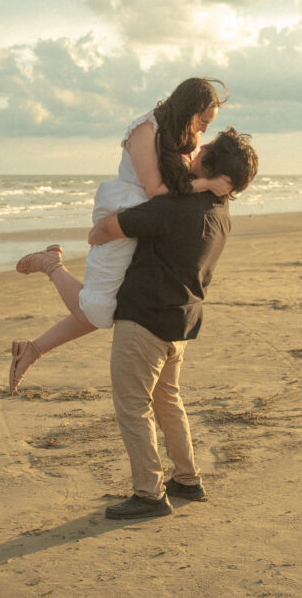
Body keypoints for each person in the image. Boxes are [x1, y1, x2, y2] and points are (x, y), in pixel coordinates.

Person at [10, 77, 231, 393]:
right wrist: (207, 185)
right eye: (203, 121)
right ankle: (50, 265)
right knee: (97, 309)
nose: (204, 130)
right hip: (125, 214)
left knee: (112, 306)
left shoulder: (187, 136)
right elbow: (155, 191)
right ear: (188, 109)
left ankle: (31, 349)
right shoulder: (145, 130)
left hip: (150, 223)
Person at [89, 128, 258, 519]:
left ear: (211, 169)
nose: (196, 150)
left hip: (145, 319)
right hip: (180, 321)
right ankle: (187, 479)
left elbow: (107, 230)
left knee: (133, 406)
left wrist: (97, 230)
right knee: (166, 401)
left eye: (204, 150)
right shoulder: (220, 214)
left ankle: (149, 493)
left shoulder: (175, 207)